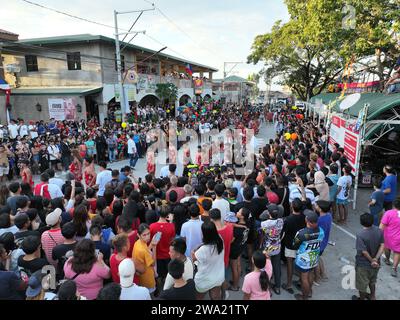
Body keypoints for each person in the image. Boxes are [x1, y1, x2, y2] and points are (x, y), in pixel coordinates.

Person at [292, 210, 325, 300]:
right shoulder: (321, 231)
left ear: (307, 220)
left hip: (304, 260)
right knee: (310, 274)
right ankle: (309, 292)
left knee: (304, 278)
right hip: (314, 257)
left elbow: (294, 245)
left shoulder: (301, 233)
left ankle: (304, 297)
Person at [353, 213, 385, 300]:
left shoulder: (360, 234)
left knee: (362, 285)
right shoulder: (379, 231)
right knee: (372, 281)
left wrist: (372, 261)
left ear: (361, 222)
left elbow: (364, 252)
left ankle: (362, 298)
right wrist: (376, 259)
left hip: (363, 264)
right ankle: (372, 296)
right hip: (376, 264)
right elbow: (382, 245)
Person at [192, 221, 225, 300]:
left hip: (204, 279)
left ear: (205, 234)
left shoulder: (203, 250)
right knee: (215, 297)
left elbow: (193, 259)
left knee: (199, 298)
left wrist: (193, 251)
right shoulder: (220, 239)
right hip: (218, 276)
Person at [149, 206, 176, 289]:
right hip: (168, 255)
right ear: (168, 214)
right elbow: (172, 239)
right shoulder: (171, 226)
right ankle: (166, 284)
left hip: (156, 255)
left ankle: (158, 286)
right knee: (167, 273)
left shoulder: (152, 226)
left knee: (157, 273)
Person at [260, 204, 284, 295]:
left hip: (267, 248)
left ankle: (267, 289)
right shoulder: (281, 221)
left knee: (266, 269)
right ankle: (278, 287)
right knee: (276, 267)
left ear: (269, 213)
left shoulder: (264, 224)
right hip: (277, 246)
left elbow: (262, 233)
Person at [132, 224, 160, 294]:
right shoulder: (142, 250)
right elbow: (153, 263)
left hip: (141, 277)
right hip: (147, 278)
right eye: (144, 235)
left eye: (148, 234)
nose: (147, 237)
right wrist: (154, 247)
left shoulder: (137, 243)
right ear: (138, 235)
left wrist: (151, 244)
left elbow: (146, 250)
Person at [227, 209, 249, 292]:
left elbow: (231, 241)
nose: (237, 213)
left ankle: (235, 286)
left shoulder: (237, 230)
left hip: (235, 249)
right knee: (238, 265)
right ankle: (236, 280)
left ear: (242, 216)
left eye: (239, 212)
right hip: (241, 247)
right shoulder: (247, 224)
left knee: (233, 268)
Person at [380, 197, 400, 277]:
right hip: (398, 238)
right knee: (397, 252)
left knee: (387, 248)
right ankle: (394, 268)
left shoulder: (388, 213)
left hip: (388, 236)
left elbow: (381, 226)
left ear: (394, 205)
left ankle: (387, 260)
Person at [315, 200, 332, 283]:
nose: (315, 206)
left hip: (319, 243)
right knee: (319, 258)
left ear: (320, 209)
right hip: (324, 242)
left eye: (317, 205)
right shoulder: (329, 215)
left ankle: (317, 278)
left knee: (315, 261)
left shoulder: (320, 220)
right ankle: (323, 274)